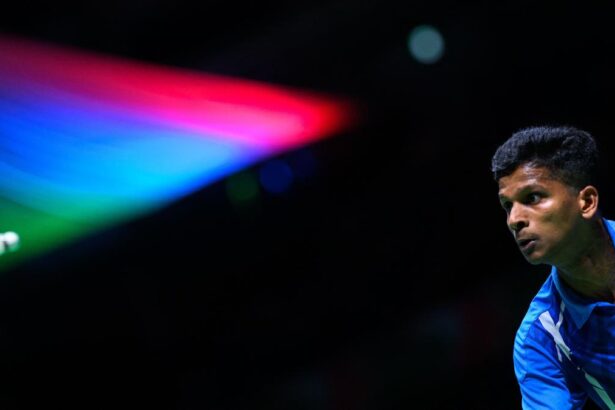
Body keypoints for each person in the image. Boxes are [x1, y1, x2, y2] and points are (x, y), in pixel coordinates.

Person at [492, 125, 615, 410]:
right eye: (507, 205)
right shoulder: (540, 339)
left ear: (586, 202)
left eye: (532, 198)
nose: (514, 220)